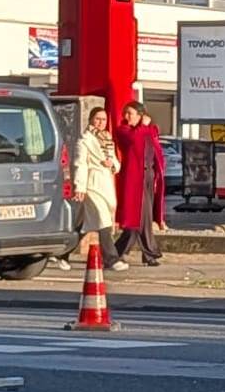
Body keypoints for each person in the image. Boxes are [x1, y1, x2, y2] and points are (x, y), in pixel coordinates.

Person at [67, 106, 123, 272]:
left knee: (84, 223)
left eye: (104, 119)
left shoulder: (107, 139)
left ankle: (61, 253)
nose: (100, 123)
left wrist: (111, 164)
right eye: (97, 119)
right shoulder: (83, 141)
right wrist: (80, 186)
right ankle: (111, 259)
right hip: (92, 185)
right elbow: (80, 164)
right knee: (102, 219)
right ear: (91, 119)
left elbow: (116, 162)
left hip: (105, 184)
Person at [112, 101, 166, 267]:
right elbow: (135, 140)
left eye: (131, 113)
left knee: (145, 217)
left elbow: (156, 151)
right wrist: (144, 127)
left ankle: (123, 252)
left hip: (148, 175)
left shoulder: (148, 131)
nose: (127, 117)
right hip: (134, 177)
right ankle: (144, 253)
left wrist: (157, 175)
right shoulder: (124, 130)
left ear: (140, 115)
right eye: (126, 113)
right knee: (136, 218)